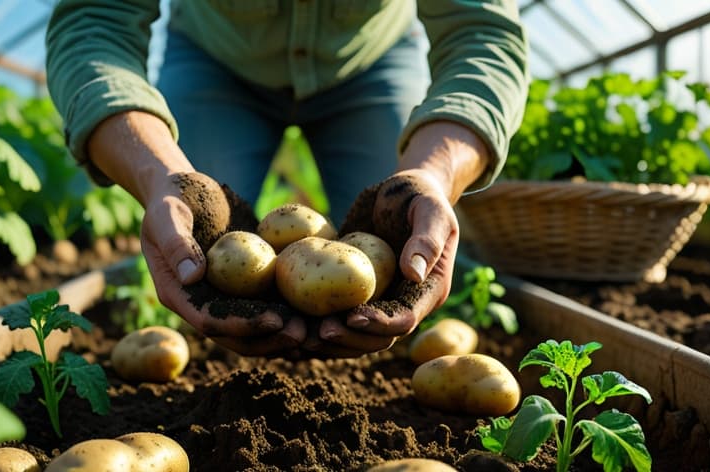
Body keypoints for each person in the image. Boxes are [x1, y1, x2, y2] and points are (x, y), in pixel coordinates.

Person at [45, 1, 528, 358]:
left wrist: (433, 173)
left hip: (371, 56)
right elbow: (95, 18)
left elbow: (483, 31)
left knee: (402, 233)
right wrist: (160, 175)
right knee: (202, 238)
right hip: (215, 58)